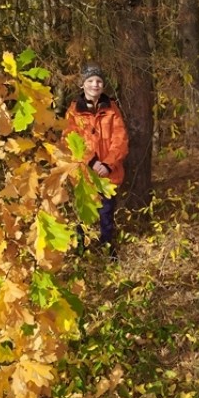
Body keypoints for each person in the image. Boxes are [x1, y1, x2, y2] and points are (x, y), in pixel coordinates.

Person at [64, 63, 129, 258]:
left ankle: (108, 251)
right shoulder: (74, 111)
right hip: (84, 174)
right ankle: (81, 252)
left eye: (99, 81)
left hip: (108, 175)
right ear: (82, 85)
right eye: (90, 81)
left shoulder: (112, 109)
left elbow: (121, 139)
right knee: (83, 215)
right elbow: (70, 140)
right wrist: (92, 162)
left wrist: (108, 164)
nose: (95, 84)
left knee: (106, 215)